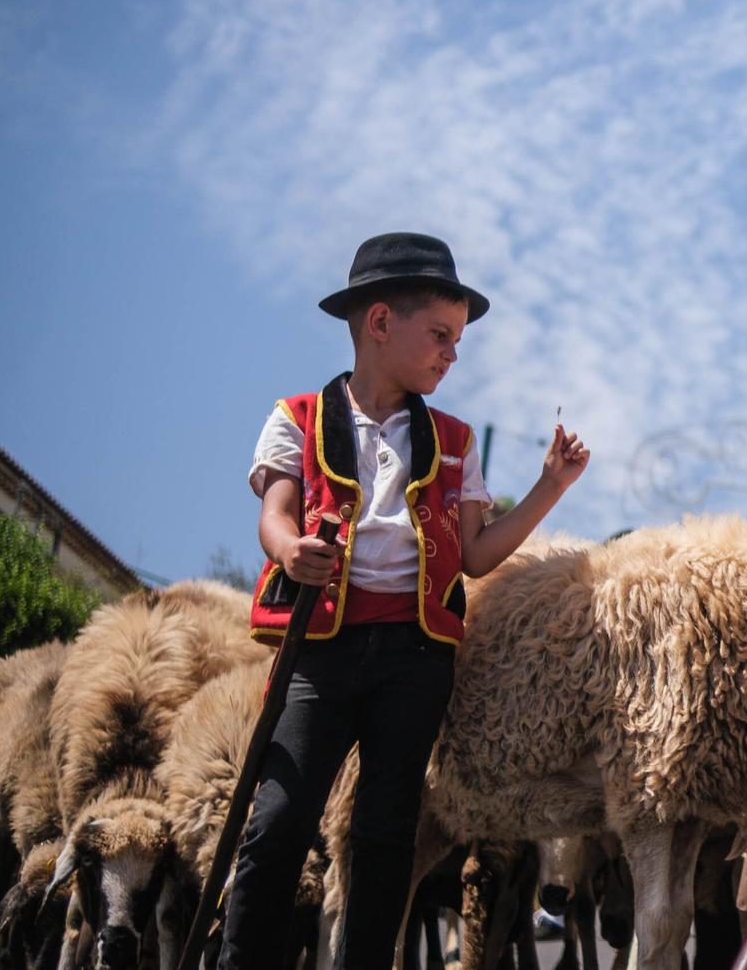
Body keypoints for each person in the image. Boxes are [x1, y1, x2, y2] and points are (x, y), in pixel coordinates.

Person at [220, 232, 589, 970]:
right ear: (381, 322)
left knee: (386, 829)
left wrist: (550, 486)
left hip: (414, 659)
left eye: (457, 339)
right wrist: (292, 550)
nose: (452, 353)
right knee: (280, 817)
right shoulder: (297, 416)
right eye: (441, 335)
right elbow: (276, 512)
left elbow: (477, 553)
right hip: (319, 649)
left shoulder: (452, 441)